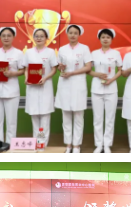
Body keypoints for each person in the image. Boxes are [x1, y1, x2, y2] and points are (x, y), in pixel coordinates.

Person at [55, 24, 92, 153]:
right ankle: (68, 144)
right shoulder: (62, 49)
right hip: (65, 84)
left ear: (79, 34)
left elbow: (88, 67)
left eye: (75, 33)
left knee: (78, 117)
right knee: (66, 116)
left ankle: (76, 145)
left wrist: (72, 73)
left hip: (78, 84)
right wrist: (60, 67)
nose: (73, 35)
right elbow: (59, 66)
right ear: (67, 34)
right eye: (70, 33)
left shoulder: (84, 48)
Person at [0, 27, 25, 143]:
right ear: (0, 37)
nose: (6, 38)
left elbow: (22, 70)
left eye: (9, 35)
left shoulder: (19, 53)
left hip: (12, 91)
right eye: (3, 35)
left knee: (11, 120)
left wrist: (13, 73)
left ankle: (10, 143)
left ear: (13, 37)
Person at [23, 28, 58, 148]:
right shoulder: (28, 52)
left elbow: (54, 69)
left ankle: (42, 144)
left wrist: (45, 78)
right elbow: (26, 68)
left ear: (46, 38)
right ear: (33, 37)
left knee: (45, 117)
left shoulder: (51, 52)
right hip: (32, 88)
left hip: (45, 86)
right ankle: (35, 143)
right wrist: (26, 78)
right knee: (34, 117)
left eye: (42, 36)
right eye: (36, 36)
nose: (39, 38)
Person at [90, 28, 122, 153]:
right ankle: (98, 145)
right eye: (103, 37)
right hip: (96, 89)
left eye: (108, 37)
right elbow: (88, 70)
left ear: (111, 39)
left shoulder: (116, 53)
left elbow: (120, 70)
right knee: (97, 118)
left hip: (111, 89)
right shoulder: (94, 53)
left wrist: (111, 80)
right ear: (99, 39)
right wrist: (97, 74)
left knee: (110, 118)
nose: (105, 39)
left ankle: (107, 145)